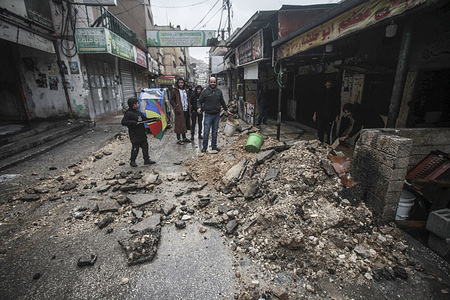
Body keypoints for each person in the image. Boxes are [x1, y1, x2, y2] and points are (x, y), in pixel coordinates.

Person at [197, 76, 231, 153]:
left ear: (216, 83)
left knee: (215, 131)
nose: (213, 83)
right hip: (208, 115)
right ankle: (204, 148)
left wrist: (226, 110)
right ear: (209, 82)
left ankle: (214, 146)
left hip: (216, 115)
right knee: (206, 132)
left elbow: (222, 102)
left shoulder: (219, 92)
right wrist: (199, 108)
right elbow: (199, 101)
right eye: (211, 82)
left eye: (214, 82)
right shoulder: (205, 92)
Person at [121, 97, 156, 167]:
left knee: (145, 147)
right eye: (137, 103)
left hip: (142, 133)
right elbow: (123, 122)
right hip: (134, 135)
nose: (138, 104)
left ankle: (146, 159)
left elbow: (145, 119)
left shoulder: (138, 112)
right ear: (134, 105)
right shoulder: (128, 113)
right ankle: (132, 161)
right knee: (135, 148)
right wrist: (133, 122)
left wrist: (155, 119)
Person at [170, 77, 191, 145]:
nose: (181, 84)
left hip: (185, 109)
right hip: (179, 110)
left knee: (183, 124)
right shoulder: (174, 91)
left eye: (182, 83)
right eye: (179, 83)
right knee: (179, 124)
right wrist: (176, 107)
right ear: (177, 83)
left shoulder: (185, 90)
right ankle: (178, 139)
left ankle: (184, 138)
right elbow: (171, 100)